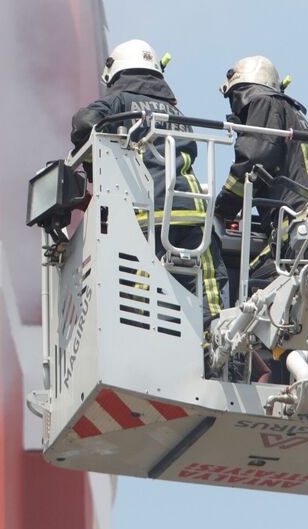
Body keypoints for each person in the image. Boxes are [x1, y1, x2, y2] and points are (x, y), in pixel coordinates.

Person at [71, 39, 227, 322]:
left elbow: (85, 123)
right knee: (208, 293)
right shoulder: (179, 114)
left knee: (141, 296)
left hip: (149, 215)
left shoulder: (119, 102)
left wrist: (91, 163)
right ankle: (214, 350)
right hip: (194, 213)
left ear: (116, 73)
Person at [214, 56, 308, 325]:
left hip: (299, 222)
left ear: (242, 90)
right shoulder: (294, 114)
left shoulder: (262, 102)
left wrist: (224, 206)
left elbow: (256, 158)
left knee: (258, 289)